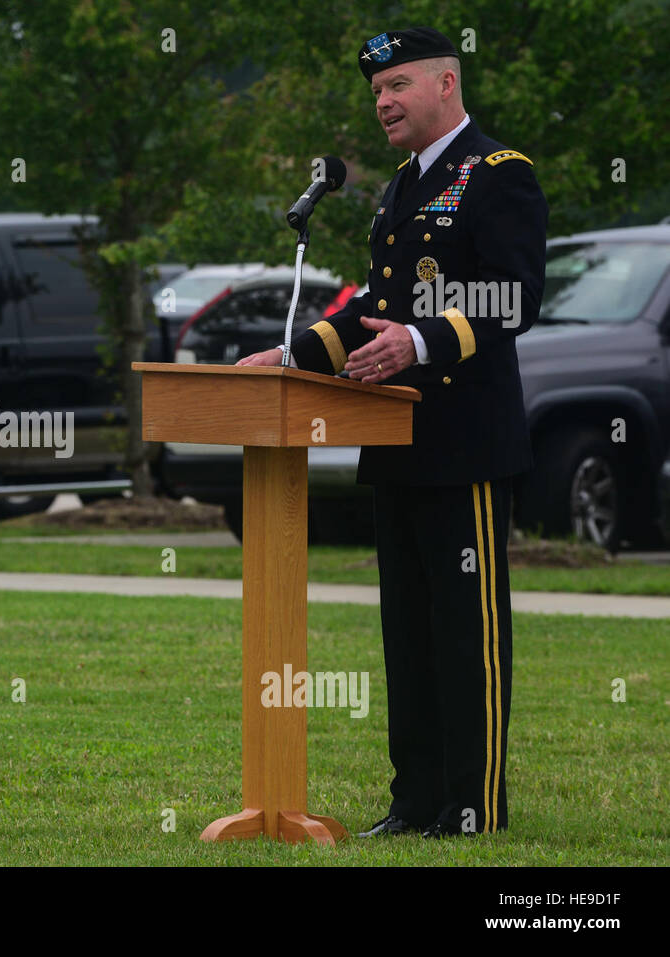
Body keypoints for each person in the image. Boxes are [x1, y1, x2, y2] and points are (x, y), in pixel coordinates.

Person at [236, 26, 547, 838]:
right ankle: (414, 801)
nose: (383, 102)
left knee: (464, 631)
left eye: (398, 85)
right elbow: (372, 311)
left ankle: (472, 804)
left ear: (447, 83)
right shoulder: (399, 190)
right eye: (376, 90)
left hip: (466, 442)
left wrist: (419, 341)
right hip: (395, 440)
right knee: (407, 637)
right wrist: (288, 354)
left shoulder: (497, 176)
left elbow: (514, 298)